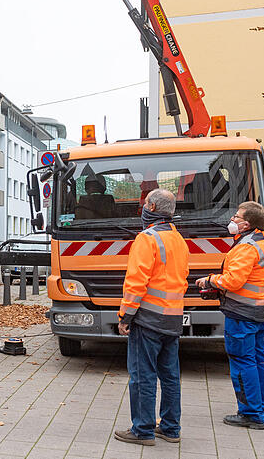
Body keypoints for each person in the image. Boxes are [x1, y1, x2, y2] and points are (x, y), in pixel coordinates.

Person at [114, 189, 189, 446]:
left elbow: (136, 282)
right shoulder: (178, 239)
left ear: (153, 207)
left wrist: (125, 316)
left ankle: (143, 430)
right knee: (170, 376)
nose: (143, 206)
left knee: (142, 375)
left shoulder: (146, 239)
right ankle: (170, 428)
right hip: (172, 318)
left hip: (147, 319)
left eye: (145, 203)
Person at [196, 201, 264, 429]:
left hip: (241, 313)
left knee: (242, 363)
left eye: (236, 217)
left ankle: (251, 414)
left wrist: (210, 280)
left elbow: (234, 280)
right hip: (258, 309)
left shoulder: (246, 247)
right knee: (258, 360)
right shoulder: (263, 242)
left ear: (246, 224)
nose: (232, 219)